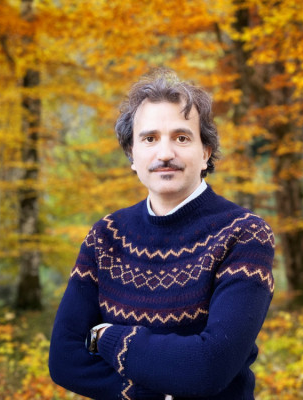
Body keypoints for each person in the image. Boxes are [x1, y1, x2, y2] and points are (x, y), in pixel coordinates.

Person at [49, 69, 275, 400]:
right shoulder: (106, 236)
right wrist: (156, 393)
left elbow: (208, 367)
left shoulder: (243, 234)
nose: (165, 153)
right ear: (132, 155)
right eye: (150, 139)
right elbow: (64, 360)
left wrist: (106, 337)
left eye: (181, 138)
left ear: (205, 152)